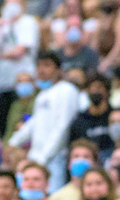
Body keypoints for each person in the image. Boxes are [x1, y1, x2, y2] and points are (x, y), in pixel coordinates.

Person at [10, 52, 82, 191]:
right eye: (39, 66)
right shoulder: (42, 94)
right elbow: (34, 123)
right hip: (36, 156)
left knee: (51, 196)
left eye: (47, 65)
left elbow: (62, 126)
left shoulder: (67, 90)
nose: (41, 70)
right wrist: (14, 142)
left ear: (59, 70)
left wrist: (44, 157)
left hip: (55, 157)